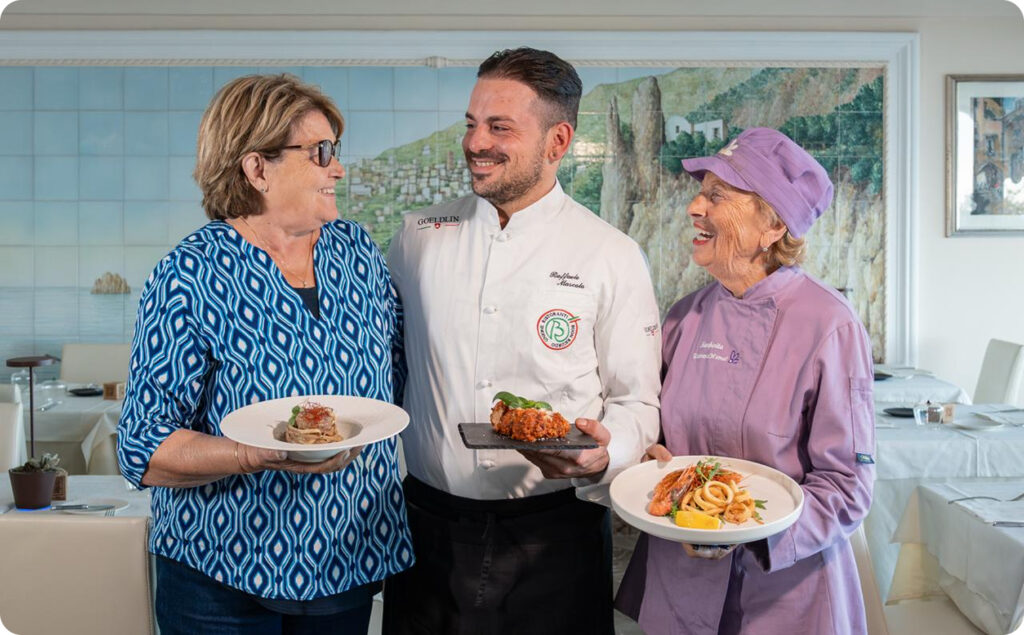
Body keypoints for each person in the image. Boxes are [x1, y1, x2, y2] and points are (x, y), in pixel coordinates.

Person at [117, 74, 413, 634]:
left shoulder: (358, 253)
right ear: (257, 169)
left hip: (347, 557)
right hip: (222, 573)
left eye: (335, 151)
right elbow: (143, 449)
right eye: (320, 152)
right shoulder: (191, 273)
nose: (338, 169)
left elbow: (393, 380)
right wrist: (254, 454)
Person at [383, 48, 661, 634]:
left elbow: (636, 400)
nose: (475, 142)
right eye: (471, 124)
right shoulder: (416, 238)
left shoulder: (611, 254)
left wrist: (604, 453)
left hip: (556, 536)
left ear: (557, 141)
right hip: (426, 530)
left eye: (499, 127)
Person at [615, 127, 876, 634]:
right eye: (700, 192)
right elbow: (657, 438)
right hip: (681, 582)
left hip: (786, 592)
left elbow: (848, 486)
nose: (694, 207)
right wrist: (649, 460)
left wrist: (750, 532)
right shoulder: (684, 316)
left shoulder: (830, 325)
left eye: (717, 195)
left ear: (773, 224)